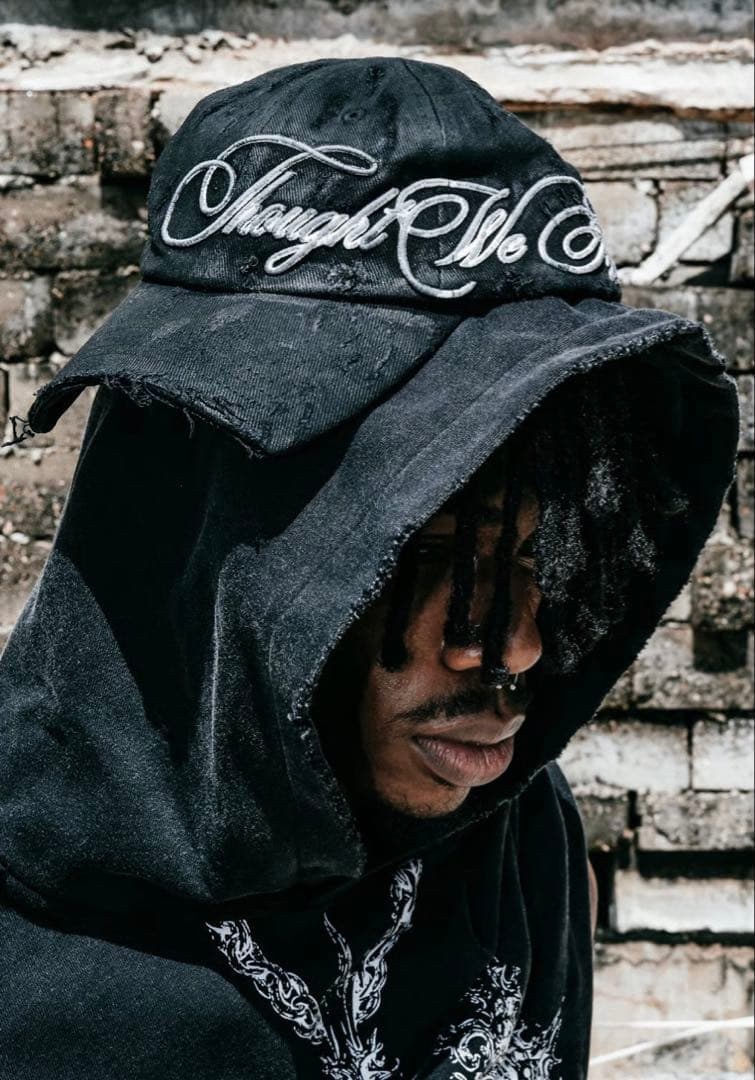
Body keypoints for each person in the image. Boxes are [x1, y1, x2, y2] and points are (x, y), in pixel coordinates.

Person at [0, 57, 738, 1079]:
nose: (515, 644)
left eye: (531, 555)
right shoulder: (29, 956)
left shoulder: (508, 833)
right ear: (205, 541)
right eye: (419, 551)